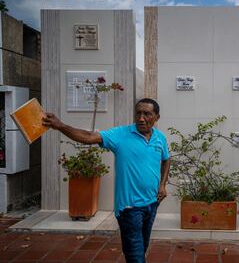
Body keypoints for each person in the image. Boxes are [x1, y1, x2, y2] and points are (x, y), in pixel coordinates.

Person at [43, 98, 170, 263]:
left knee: (142, 248)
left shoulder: (159, 137)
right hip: (129, 208)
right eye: (138, 113)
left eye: (147, 114)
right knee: (136, 256)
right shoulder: (120, 135)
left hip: (152, 203)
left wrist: (162, 185)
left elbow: (166, 159)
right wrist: (60, 125)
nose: (141, 118)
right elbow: (89, 136)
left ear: (157, 117)